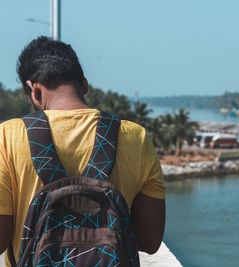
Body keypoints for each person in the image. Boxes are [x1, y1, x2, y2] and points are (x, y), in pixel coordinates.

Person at [0, 36, 165, 266]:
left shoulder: (7, 137)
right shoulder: (136, 137)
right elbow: (150, 241)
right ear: (84, 85)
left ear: (34, 90)